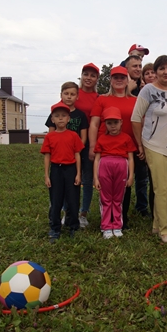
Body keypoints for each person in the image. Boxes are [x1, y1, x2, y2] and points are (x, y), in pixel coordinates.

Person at [131, 55, 167, 243]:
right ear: (156, 71)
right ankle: (164, 230)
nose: (165, 72)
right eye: (161, 68)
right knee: (161, 187)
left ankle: (156, 225)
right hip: (153, 144)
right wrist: (139, 145)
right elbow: (136, 118)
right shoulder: (148, 90)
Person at [89, 66, 150, 229]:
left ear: (127, 80)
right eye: (115, 77)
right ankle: (107, 218)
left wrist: (141, 145)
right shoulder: (102, 99)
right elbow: (94, 123)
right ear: (110, 80)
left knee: (126, 183)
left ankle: (121, 218)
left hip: (128, 148)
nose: (119, 80)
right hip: (107, 149)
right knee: (108, 185)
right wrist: (92, 145)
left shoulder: (134, 100)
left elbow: (142, 123)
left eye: (122, 77)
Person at [41, 102, 84, 242]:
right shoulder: (50, 137)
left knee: (73, 200)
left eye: (64, 116)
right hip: (56, 170)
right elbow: (47, 156)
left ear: (68, 119)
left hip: (71, 169)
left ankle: (73, 226)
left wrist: (78, 174)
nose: (60, 118)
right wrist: (47, 175)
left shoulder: (73, 136)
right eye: (57, 116)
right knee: (56, 200)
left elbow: (77, 155)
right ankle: (55, 228)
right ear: (52, 119)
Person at [93, 107, 136, 239]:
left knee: (118, 198)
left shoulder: (126, 138)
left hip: (121, 167)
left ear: (121, 122)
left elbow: (130, 158)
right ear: (105, 124)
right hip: (104, 167)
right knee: (106, 198)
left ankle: (117, 225)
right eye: (109, 123)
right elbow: (97, 159)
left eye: (115, 122)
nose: (113, 126)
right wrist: (95, 177)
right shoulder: (101, 139)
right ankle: (106, 226)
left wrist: (131, 176)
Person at [75, 62, 100, 227]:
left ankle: (83, 212)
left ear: (97, 78)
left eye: (92, 75)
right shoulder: (74, 93)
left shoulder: (98, 97)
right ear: (82, 76)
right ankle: (69, 211)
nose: (88, 78)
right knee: (71, 177)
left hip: (90, 141)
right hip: (73, 140)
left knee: (88, 178)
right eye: (86, 74)